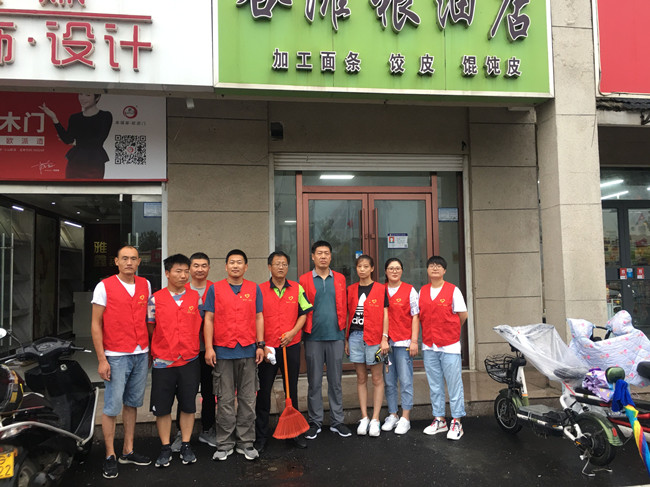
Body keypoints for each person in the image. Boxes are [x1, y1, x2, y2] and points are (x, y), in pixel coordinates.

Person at [90, 245, 152, 479]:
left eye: (133, 259)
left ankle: (128, 449)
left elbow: (148, 318)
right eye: (124, 258)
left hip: (141, 352)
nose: (129, 262)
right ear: (116, 261)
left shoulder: (145, 284)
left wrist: (150, 350)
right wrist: (101, 359)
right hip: (116, 355)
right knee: (112, 407)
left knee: (132, 403)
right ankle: (110, 454)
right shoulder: (104, 286)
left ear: (139, 262)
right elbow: (95, 324)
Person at [203, 249, 265, 461]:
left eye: (239, 262)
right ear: (226, 266)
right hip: (223, 351)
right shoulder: (215, 289)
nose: (235, 266)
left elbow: (258, 317)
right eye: (232, 262)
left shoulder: (254, 288)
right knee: (225, 399)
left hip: (248, 350)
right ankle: (224, 443)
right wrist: (209, 347)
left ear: (246, 266)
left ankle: (246, 442)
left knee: (248, 399)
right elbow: (209, 318)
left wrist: (260, 344)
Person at [147, 254, 202, 468]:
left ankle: (186, 444)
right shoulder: (155, 299)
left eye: (186, 271)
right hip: (163, 361)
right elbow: (151, 327)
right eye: (178, 271)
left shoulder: (195, 298)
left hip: (189, 359)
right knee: (162, 408)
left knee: (188, 405)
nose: (183, 275)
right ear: (167, 273)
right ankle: (165, 447)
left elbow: (200, 323)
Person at [255, 251, 313, 452]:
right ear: (269, 267)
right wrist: (261, 344)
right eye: (277, 264)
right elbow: (255, 317)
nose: (281, 267)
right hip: (268, 348)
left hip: (291, 345)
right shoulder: (260, 290)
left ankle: (294, 434)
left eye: (284, 264)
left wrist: (293, 332)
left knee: (291, 390)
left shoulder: (296, 288)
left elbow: (304, 313)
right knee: (263, 392)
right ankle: (261, 436)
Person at [299, 241, 352, 439]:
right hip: (313, 336)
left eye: (327, 253)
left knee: (335, 381)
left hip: (336, 336)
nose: (323, 256)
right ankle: (315, 421)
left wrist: (345, 336)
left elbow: (345, 306)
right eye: (319, 253)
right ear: (312, 256)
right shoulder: (304, 279)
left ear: (331, 256)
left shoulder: (340, 278)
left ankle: (337, 421)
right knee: (314, 381)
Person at [419, 256, 468, 440]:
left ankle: (457, 421)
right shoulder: (422, 291)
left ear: (444, 270)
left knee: (454, 384)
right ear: (427, 270)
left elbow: (463, 315)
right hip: (429, 346)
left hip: (449, 346)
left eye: (439, 266)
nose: (435, 268)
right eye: (431, 265)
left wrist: (451, 330)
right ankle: (439, 419)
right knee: (435, 385)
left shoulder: (453, 290)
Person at [170, 252, 216, 452]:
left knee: (209, 392)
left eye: (204, 265)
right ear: (189, 269)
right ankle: (181, 433)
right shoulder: (182, 290)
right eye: (195, 266)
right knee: (185, 393)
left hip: (210, 350)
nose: (200, 269)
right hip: (186, 352)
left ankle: (208, 429)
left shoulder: (216, 289)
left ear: (209, 268)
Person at [345, 255, 389, 437]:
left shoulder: (380, 289)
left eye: (365, 266)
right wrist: (346, 339)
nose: (362, 269)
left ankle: (376, 418)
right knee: (361, 378)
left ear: (372, 268)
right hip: (355, 337)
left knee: (377, 379)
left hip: (375, 337)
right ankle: (364, 417)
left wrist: (384, 338)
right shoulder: (351, 289)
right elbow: (348, 314)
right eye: (359, 266)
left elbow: (385, 314)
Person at [381, 257, 419, 435]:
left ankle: (405, 417)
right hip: (386, 344)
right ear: (386, 271)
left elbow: (415, 316)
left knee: (405, 380)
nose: (394, 271)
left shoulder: (410, 290)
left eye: (397, 268)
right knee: (389, 382)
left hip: (404, 343)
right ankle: (392, 414)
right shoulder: (381, 290)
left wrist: (414, 341)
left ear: (402, 271)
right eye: (391, 268)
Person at [39, 93, 113, 179]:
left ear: (97, 98)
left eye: (88, 95)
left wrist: (76, 142)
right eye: (81, 94)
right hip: (75, 162)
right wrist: (54, 118)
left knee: (93, 187)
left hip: (95, 162)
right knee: (71, 187)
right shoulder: (75, 117)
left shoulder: (105, 116)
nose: (82, 98)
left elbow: (98, 141)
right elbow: (67, 139)